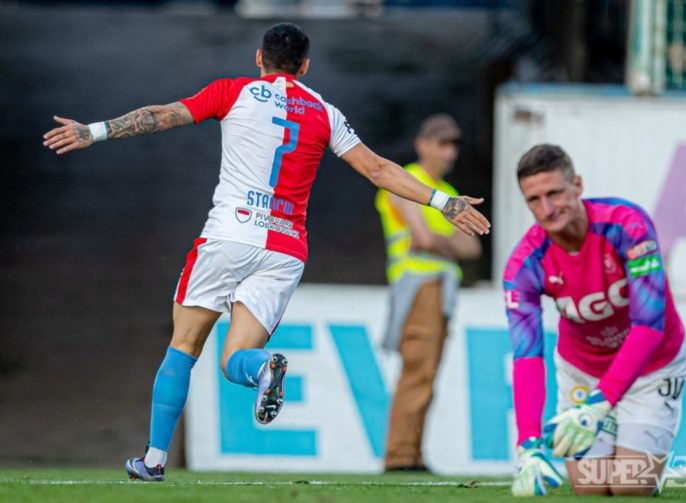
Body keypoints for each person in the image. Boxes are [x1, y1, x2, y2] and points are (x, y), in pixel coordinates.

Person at [42, 22, 490, 482]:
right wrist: (444, 201)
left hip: (229, 237)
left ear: (260, 58)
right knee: (236, 355)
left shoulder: (232, 92)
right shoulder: (325, 112)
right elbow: (376, 169)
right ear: (306, 67)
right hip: (284, 249)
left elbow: (162, 115)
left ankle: (153, 462)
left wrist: (94, 131)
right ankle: (262, 369)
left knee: (184, 346)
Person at [503, 144, 686, 496]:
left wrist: (601, 403)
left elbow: (650, 325)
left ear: (578, 185)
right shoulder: (524, 265)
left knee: (628, 487)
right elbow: (527, 355)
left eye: (555, 193)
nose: (546, 209)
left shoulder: (627, 224)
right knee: (590, 489)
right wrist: (528, 445)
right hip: (583, 372)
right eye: (534, 200)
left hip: (653, 367)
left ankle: (649, 468)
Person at [375, 114, 481, 472]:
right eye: (442, 143)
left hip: (438, 287)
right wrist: (450, 243)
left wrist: (438, 244)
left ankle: (411, 452)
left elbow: (474, 251)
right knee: (418, 372)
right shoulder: (406, 181)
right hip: (418, 286)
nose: (449, 153)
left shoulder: (449, 194)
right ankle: (400, 455)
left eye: (453, 145)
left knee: (426, 374)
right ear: (422, 144)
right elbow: (422, 241)